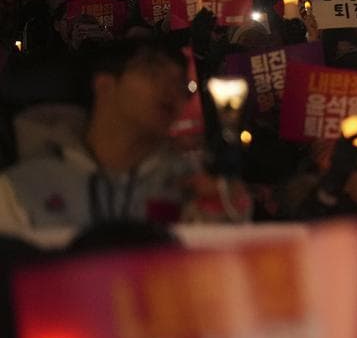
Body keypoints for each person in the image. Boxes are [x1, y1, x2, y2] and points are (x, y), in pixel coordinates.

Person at [0, 38, 243, 230]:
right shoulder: (20, 190)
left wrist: (223, 213)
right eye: (153, 73)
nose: (172, 90)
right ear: (105, 86)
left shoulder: (189, 185)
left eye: (182, 84)